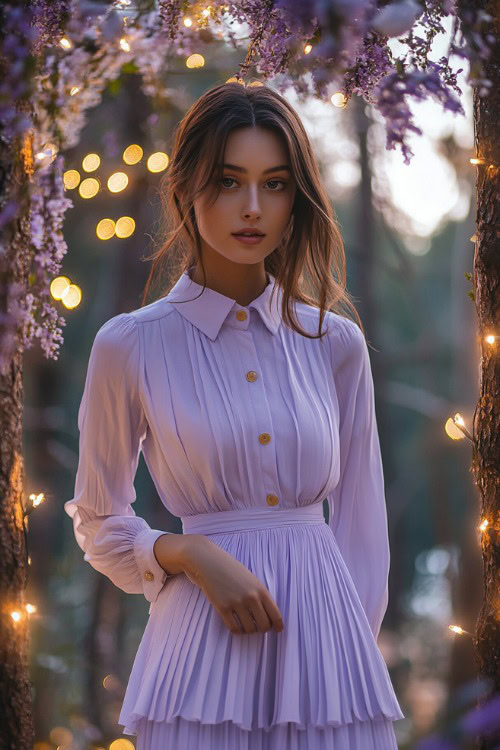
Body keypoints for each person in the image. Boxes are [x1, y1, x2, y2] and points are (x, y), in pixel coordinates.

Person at [64, 81, 405, 749]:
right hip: (197, 661)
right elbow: (98, 520)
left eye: (275, 184)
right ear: (187, 188)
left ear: (294, 199)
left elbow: (363, 524)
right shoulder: (130, 344)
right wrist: (186, 552)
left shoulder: (335, 343)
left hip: (329, 666)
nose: (253, 208)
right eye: (228, 181)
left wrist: (344, 661)